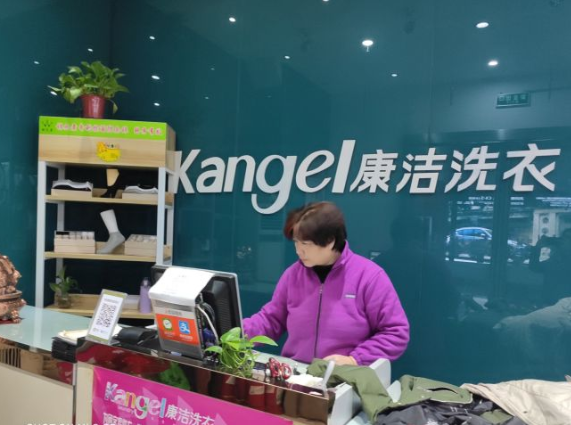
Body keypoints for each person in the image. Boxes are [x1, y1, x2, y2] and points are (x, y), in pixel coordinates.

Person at [242, 202, 409, 366]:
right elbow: (271, 320)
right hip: (297, 373)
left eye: (305, 244)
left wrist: (354, 359)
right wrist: (238, 332)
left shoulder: (369, 276)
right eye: (296, 242)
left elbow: (395, 333)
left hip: (343, 376)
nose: (298, 250)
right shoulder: (293, 274)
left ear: (330, 241)